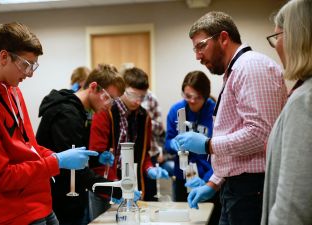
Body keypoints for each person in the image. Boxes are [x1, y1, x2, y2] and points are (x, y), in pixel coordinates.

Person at [0, 22, 97, 225]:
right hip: (14, 215)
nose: (30, 73)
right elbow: (1, 177)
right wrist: (57, 162)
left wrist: (55, 156)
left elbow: (30, 148)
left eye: (33, 65)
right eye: (26, 64)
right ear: (3, 57)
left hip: (41, 204)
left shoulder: (13, 91)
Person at [174, 12, 287, 225]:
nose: (197, 56)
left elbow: (260, 135)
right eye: (195, 49)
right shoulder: (235, 71)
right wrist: (213, 183)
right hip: (237, 189)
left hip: (251, 190)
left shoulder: (250, 66)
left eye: (201, 46)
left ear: (223, 38)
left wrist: (208, 145)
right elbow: (238, 139)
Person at [36, 64, 127, 225]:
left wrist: (96, 158)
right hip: (58, 200)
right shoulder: (67, 115)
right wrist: (116, 188)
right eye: (107, 97)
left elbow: (74, 158)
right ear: (93, 87)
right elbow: (72, 171)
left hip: (70, 194)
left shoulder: (79, 112)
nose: (109, 105)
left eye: (113, 101)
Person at [261, 1, 312, 224]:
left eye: (277, 37)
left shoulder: (304, 100)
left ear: (296, 36)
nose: (276, 46)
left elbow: (292, 206)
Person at [89, 67, 169, 203]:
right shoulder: (105, 112)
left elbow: (144, 154)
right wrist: (113, 189)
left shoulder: (145, 117)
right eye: (132, 95)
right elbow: (96, 156)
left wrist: (149, 168)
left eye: (142, 97)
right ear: (122, 90)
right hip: (107, 186)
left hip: (133, 184)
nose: (137, 101)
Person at [165, 70, 220, 225]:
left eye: (197, 97)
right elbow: (167, 143)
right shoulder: (176, 111)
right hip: (183, 179)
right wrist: (172, 144)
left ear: (206, 95)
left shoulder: (215, 112)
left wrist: (208, 180)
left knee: (210, 219)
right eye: (188, 96)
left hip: (209, 179)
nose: (192, 101)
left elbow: (221, 152)